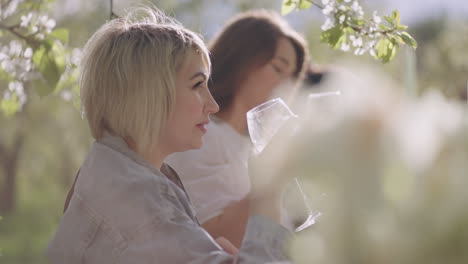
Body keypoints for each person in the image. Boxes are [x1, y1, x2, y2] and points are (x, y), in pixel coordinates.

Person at [47, 7, 293, 263]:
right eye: (197, 85)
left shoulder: (118, 173)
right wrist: (270, 187)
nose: (212, 105)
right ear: (148, 94)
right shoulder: (136, 200)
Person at [166, 9, 308, 247]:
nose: (287, 86)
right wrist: (276, 176)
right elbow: (214, 236)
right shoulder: (200, 135)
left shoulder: (257, 147)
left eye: (293, 77)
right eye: (278, 68)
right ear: (242, 60)